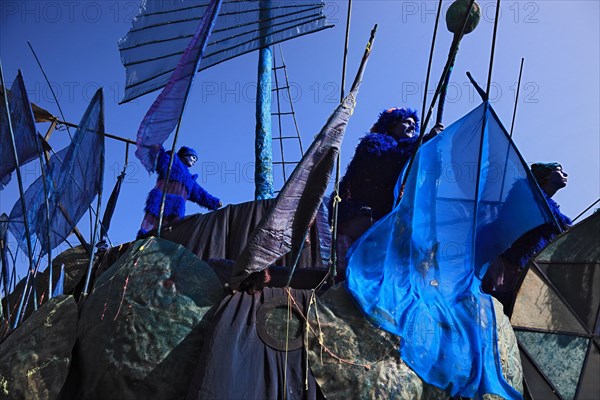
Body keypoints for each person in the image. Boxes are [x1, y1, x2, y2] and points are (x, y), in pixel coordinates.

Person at [328, 107, 443, 278]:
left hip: (386, 224)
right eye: (406, 122)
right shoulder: (374, 143)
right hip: (361, 221)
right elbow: (386, 163)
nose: (412, 127)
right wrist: (423, 142)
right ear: (391, 125)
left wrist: (431, 151)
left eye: (414, 124)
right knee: (352, 276)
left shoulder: (411, 155)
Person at [483, 162, 572, 314]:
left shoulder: (551, 211)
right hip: (503, 259)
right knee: (491, 299)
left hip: (520, 265)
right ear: (547, 175)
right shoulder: (526, 193)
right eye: (559, 170)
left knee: (508, 304)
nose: (565, 174)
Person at [138, 146, 222, 238]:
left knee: (172, 231)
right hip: (161, 200)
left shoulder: (189, 179)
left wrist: (214, 202)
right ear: (186, 155)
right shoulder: (171, 161)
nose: (195, 161)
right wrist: (155, 147)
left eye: (196, 159)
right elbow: (159, 157)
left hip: (176, 207)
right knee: (153, 225)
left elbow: (200, 194)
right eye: (193, 157)